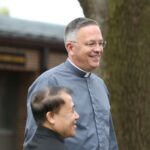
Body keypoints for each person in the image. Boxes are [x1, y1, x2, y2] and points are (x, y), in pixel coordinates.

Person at [24, 17, 118, 150]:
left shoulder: (100, 85)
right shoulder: (49, 82)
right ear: (71, 47)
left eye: (101, 43)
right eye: (91, 44)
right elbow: (36, 142)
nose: (98, 49)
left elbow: (110, 139)